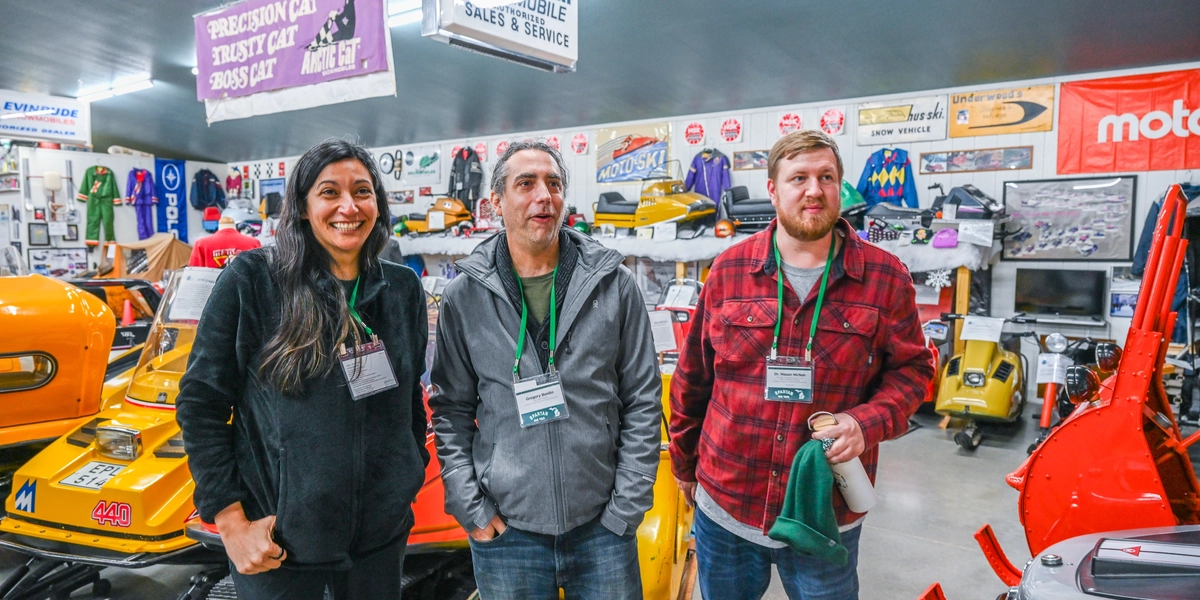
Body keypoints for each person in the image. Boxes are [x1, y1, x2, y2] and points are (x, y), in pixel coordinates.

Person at [669, 130, 935, 600]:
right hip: (727, 505)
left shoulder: (884, 277)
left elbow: (913, 372)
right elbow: (693, 379)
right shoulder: (728, 271)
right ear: (773, 189)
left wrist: (864, 423)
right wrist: (685, 466)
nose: (814, 189)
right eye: (799, 178)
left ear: (840, 187)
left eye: (826, 177)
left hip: (825, 510)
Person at [176, 139, 429, 599]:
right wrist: (231, 522)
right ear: (302, 206)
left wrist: (406, 477)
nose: (348, 207)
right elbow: (201, 405)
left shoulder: (402, 288)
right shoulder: (253, 281)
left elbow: (410, 396)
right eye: (330, 192)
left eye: (363, 191)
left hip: (380, 536)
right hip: (277, 539)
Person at [429, 140, 661, 599]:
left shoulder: (613, 284)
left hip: (603, 530)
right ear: (496, 201)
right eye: (526, 184)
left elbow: (642, 399)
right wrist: (471, 508)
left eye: (554, 184)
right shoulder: (464, 297)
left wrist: (626, 509)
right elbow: (450, 410)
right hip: (507, 534)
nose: (544, 196)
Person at [188, 215, 261, 268]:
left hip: (212, 288)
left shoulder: (201, 244)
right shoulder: (254, 243)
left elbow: (194, 275)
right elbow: (261, 272)